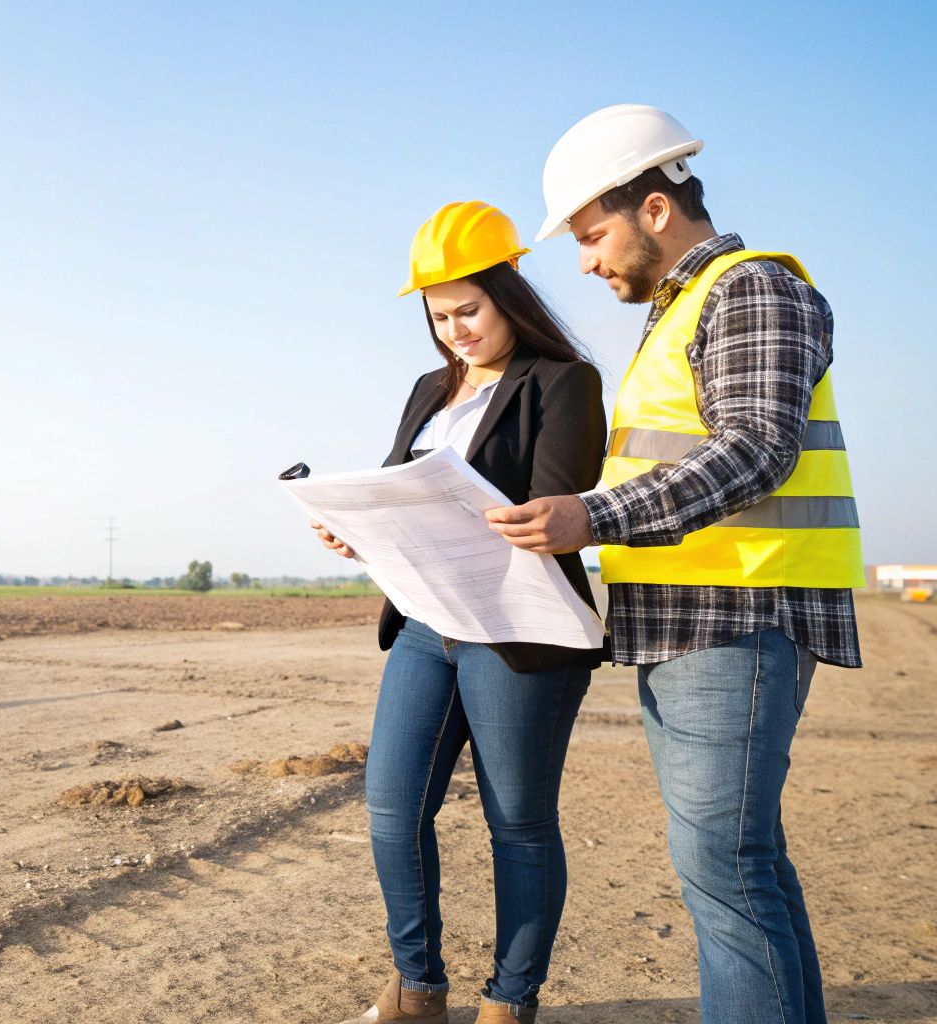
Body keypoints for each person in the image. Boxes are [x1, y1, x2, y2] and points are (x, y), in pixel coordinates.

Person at [486, 104, 863, 1024]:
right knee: (746, 865)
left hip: (736, 619)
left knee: (725, 874)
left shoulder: (750, 290)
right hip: (689, 623)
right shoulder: (682, 312)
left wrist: (594, 514)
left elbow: (756, 451)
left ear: (655, 208)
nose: (584, 260)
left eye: (592, 234)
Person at [311, 201, 607, 1024]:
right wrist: (356, 532)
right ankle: (417, 989)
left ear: (511, 293)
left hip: (515, 634)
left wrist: (468, 513)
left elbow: (555, 509)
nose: (455, 332)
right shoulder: (426, 391)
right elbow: (390, 488)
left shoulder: (565, 383)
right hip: (423, 627)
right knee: (391, 806)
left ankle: (511, 1003)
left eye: (468, 311)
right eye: (439, 318)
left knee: (517, 824)